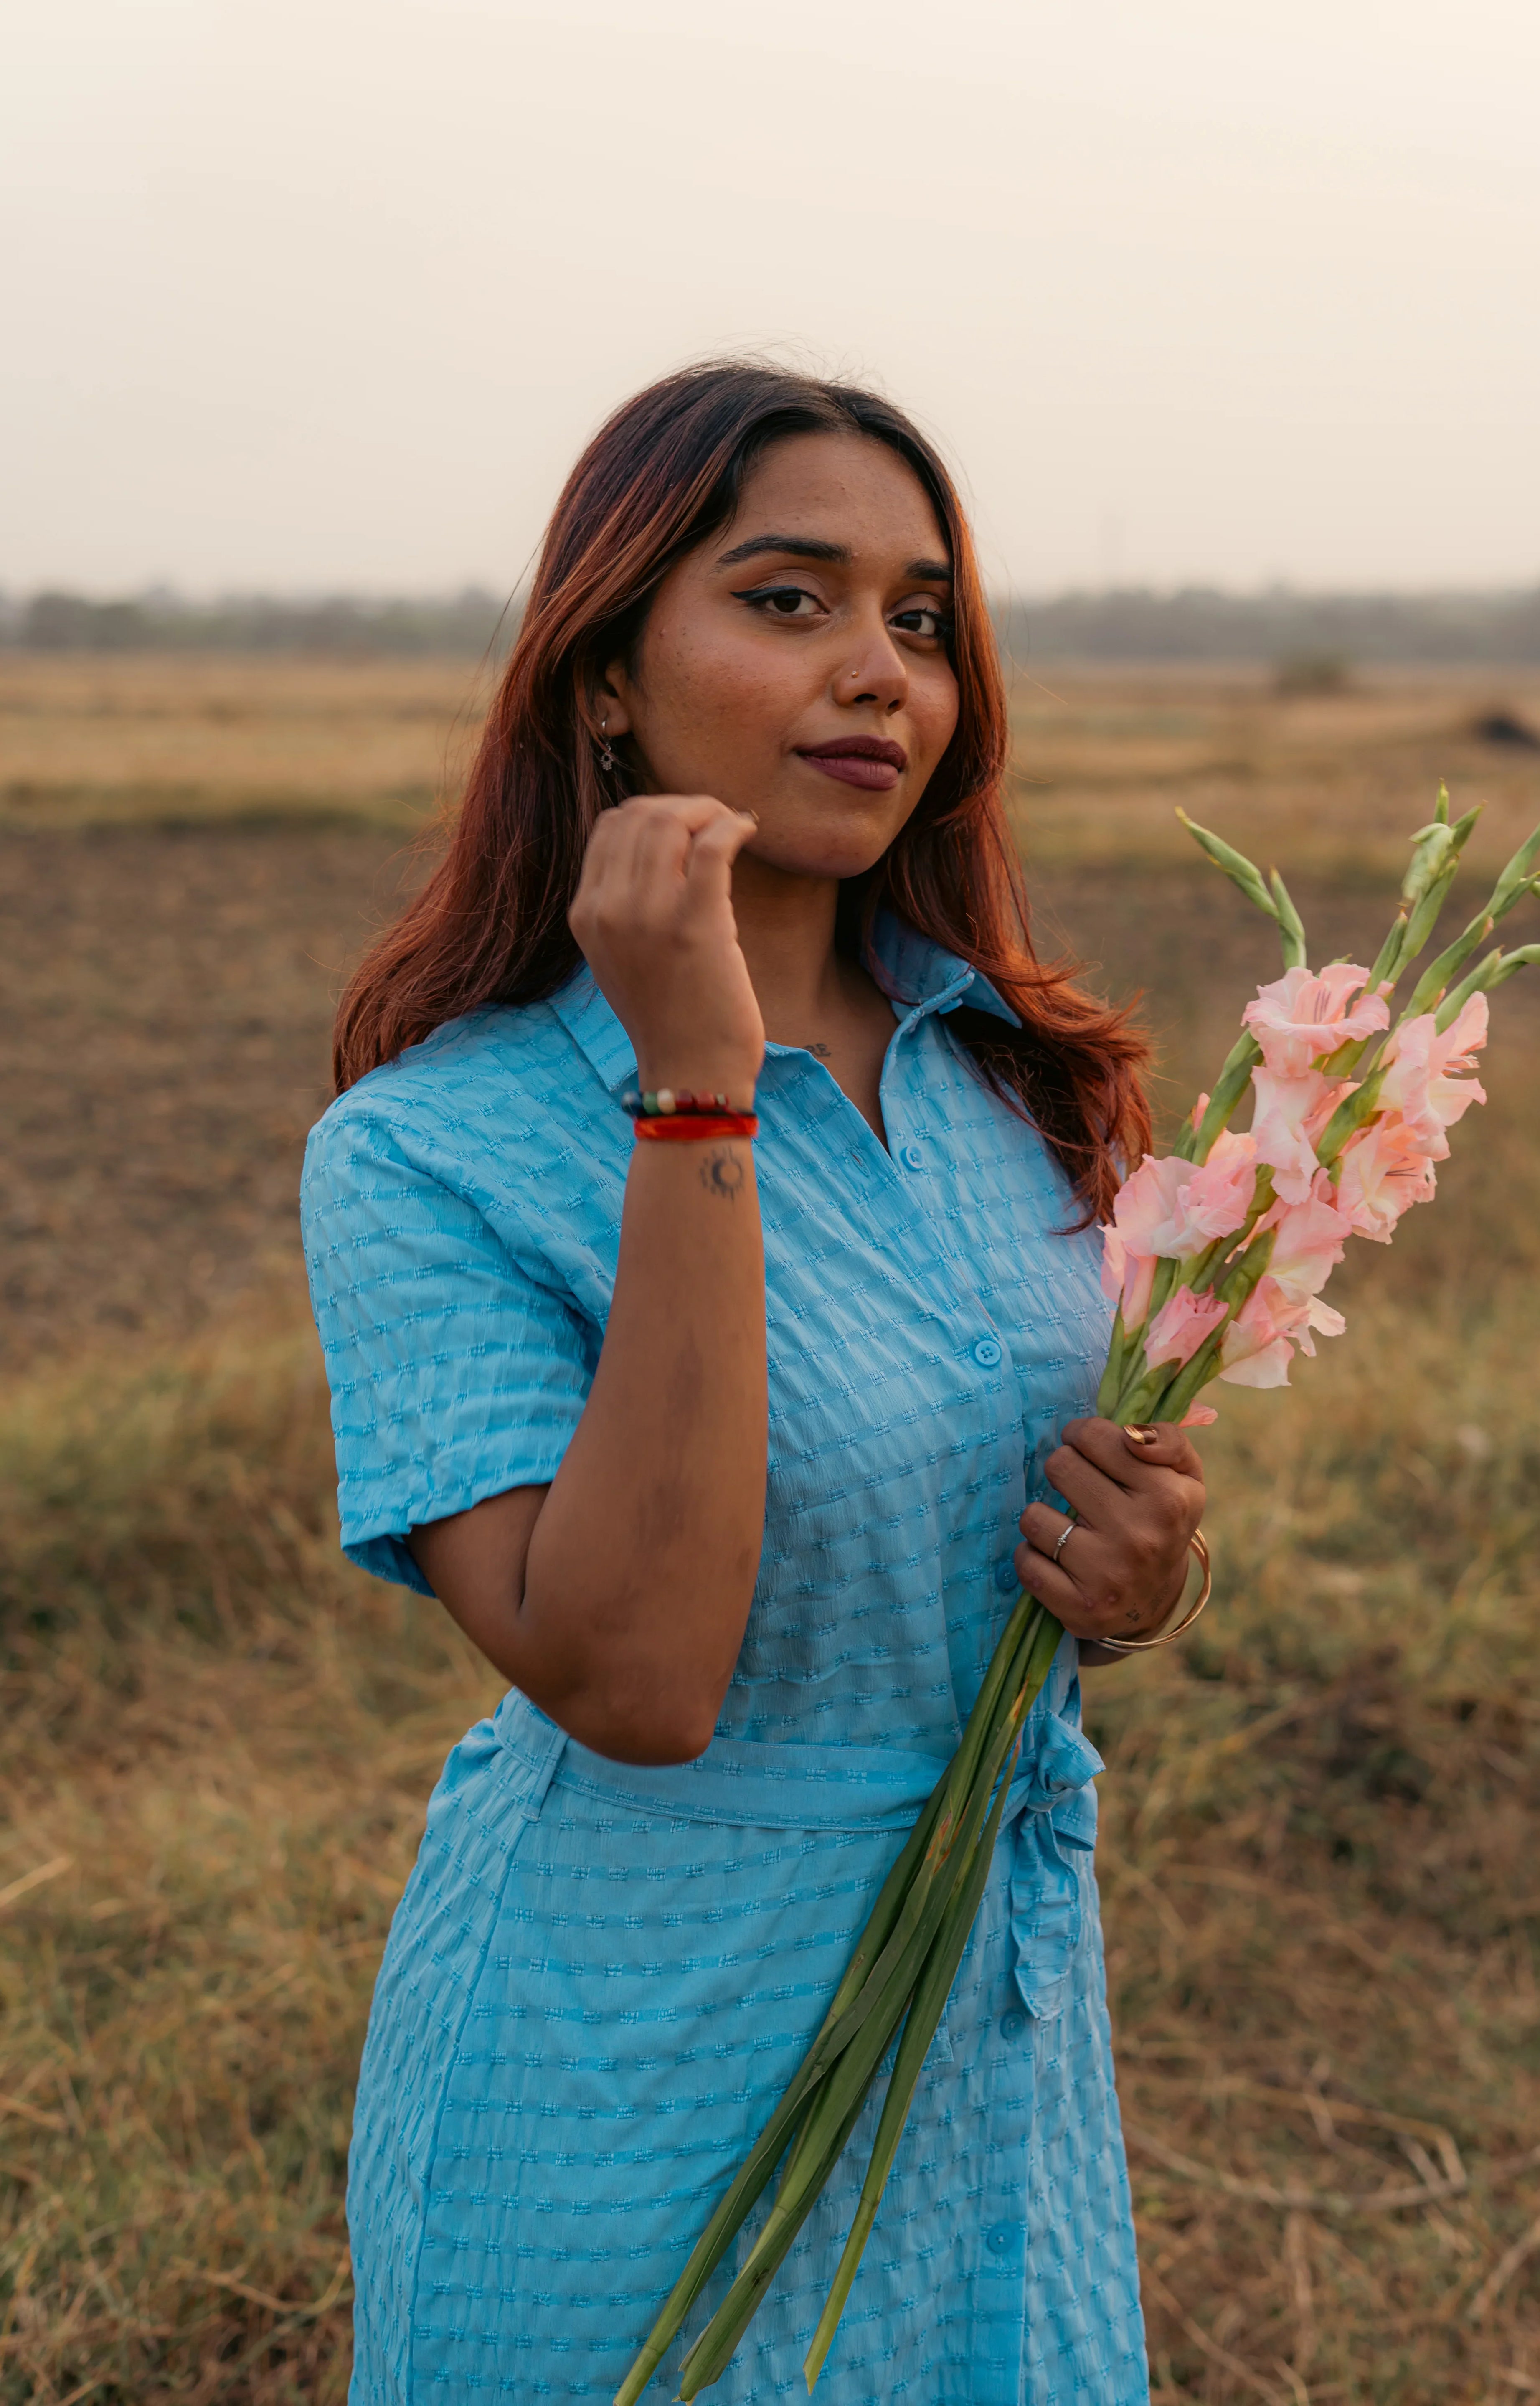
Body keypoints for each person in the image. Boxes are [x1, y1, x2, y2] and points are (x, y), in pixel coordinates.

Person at [302, 361, 1206, 2405]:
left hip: (989, 2044)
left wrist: (1145, 1583)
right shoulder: (436, 1152)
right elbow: (633, 1677)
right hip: (622, 2065)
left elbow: (990, 1555)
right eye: (788, 599)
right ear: (605, 672)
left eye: (918, 619)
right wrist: (696, 1091)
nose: (878, 671)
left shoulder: (1016, 1087)